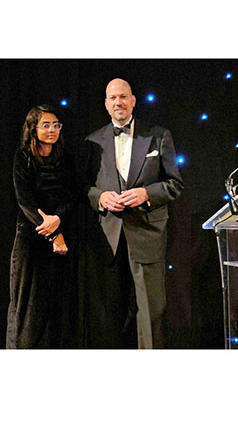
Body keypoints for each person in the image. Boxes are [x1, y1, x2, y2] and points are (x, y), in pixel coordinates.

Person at [83, 78, 184, 349]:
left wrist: (147, 194)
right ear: (106, 104)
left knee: (152, 314)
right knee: (109, 316)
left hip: (148, 233)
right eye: (113, 98)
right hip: (108, 239)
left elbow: (175, 184)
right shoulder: (93, 141)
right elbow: (84, 187)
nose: (119, 102)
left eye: (123, 97)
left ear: (133, 100)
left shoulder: (158, 136)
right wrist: (101, 197)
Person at [6, 105, 75, 348]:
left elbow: (71, 196)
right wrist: (54, 234)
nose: (52, 130)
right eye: (45, 125)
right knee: (27, 304)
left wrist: (58, 221)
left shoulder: (66, 158)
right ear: (33, 129)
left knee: (55, 304)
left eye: (56, 125)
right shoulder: (23, 156)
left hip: (61, 237)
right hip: (32, 237)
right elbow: (25, 200)